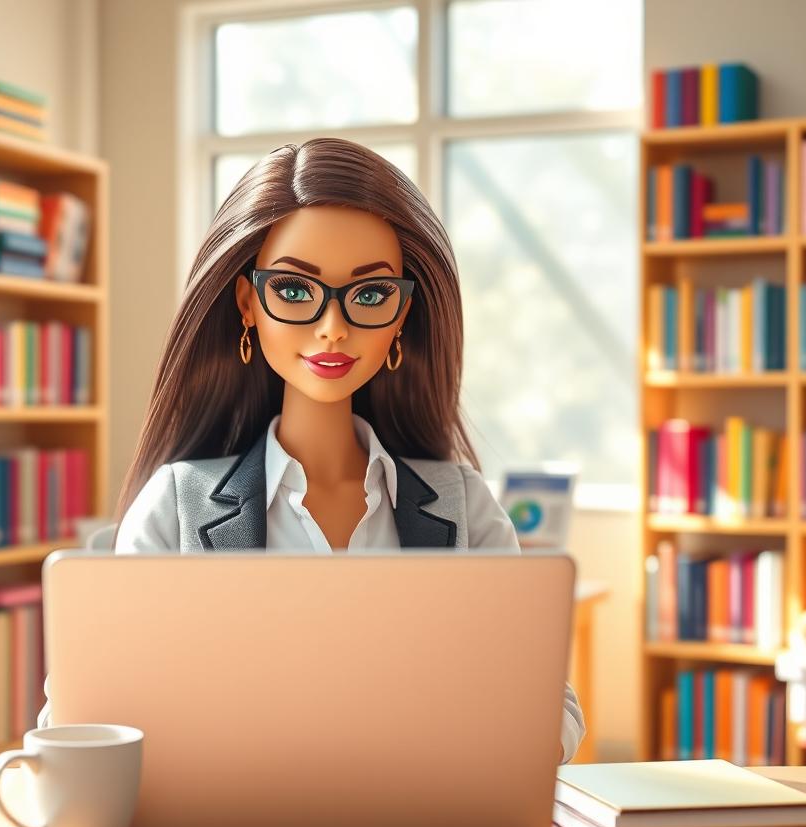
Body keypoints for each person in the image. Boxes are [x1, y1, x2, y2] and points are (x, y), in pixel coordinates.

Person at [40, 137, 585, 762]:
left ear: (404, 314)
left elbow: (552, 705)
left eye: (371, 295)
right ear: (248, 302)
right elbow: (79, 715)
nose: (333, 327)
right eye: (295, 292)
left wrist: (491, 741)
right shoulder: (178, 505)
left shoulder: (464, 508)